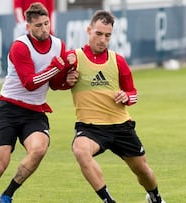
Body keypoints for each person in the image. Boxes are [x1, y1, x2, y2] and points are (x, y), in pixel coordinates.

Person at [52, 10, 166, 203]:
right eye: (98, 34)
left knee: (142, 170)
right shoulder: (74, 58)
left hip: (121, 126)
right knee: (80, 149)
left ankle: (154, 197)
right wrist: (66, 79)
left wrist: (126, 96)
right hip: (91, 128)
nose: (103, 39)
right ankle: (108, 200)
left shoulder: (117, 60)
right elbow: (55, 84)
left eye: (107, 35)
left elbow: (133, 93)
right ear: (89, 30)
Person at [0, 3, 73, 203]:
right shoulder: (20, 46)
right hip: (9, 109)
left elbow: (53, 83)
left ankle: (7, 195)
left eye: (46, 24)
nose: (44, 29)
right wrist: (56, 67)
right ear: (28, 27)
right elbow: (30, 83)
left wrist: (67, 81)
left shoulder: (58, 45)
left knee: (39, 149)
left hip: (35, 112)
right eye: (38, 26)